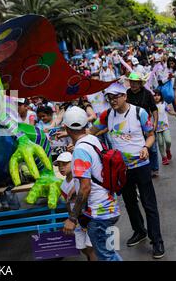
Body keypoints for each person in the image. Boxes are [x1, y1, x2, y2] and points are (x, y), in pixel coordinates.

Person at [91, 83, 165, 259]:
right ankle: (139, 231)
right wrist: (73, 136)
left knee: (149, 204)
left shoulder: (139, 112)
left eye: (116, 96)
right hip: (120, 169)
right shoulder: (106, 115)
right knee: (130, 202)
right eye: (110, 97)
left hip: (141, 166)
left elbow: (151, 134)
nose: (113, 100)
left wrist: (146, 147)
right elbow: (90, 131)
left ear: (125, 96)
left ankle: (157, 241)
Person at [61, 107, 122, 261]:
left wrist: (72, 218)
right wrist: (76, 187)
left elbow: (86, 187)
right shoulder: (93, 140)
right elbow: (95, 172)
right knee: (110, 254)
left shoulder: (80, 150)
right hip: (109, 207)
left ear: (66, 128)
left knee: (107, 257)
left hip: (99, 213)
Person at [57, 152, 97, 261]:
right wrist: (71, 218)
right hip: (76, 219)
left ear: (73, 163)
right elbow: (67, 203)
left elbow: (89, 189)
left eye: (65, 164)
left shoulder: (82, 178)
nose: (61, 167)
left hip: (89, 216)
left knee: (91, 247)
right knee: (81, 247)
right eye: (59, 165)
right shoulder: (63, 185)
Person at [126, 72, 160, 178]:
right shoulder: (127, 93)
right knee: (138, 148)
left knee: (152, 148)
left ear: (140, 83)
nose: (133, 84)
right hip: (133, 126)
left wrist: (155, 123)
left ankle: (154, 168)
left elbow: (154, 109)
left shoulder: (147, 93)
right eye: (131, 82)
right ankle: (145, 169)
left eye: (135, 82)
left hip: (147, 125)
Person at [153, 89, 176, 165]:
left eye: (158, 95)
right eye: (154, 95)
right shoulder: (152, 106)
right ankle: (164, 157)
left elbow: (170, 111)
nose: (156, 97)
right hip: (157, 128)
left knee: (168, 141)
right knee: (160, 143)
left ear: (161, 96)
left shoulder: (164, 104)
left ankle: (168, 150)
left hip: (165, 127)